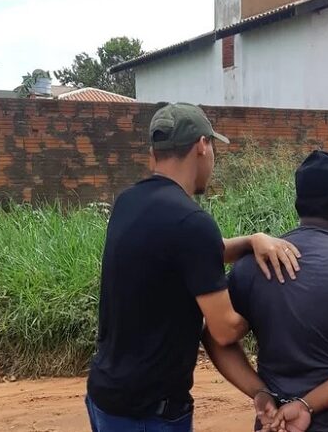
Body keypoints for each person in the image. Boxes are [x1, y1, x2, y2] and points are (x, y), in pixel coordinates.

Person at [85, 103, 302, 432]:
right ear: (202, 145)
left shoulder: (129, 202)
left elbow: (186, 254)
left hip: (105, 395)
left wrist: (251, 240)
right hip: (149, 414)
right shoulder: (191, 222)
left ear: (153, 153)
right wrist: (270, 305)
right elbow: (225, 329)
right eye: (213, 147)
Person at [202, 150, 328, 432]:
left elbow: (215, 337)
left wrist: (260, 392)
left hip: (275, 426)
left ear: (299, 203)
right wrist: (306, 405)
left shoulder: (252, 266)